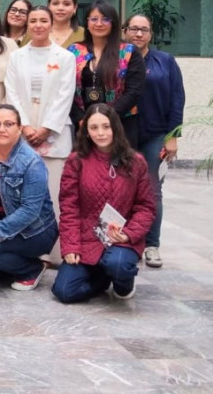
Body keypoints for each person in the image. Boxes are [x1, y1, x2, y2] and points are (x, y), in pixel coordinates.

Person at [52, 104, 156, 303]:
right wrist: (71, 246)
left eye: (106, 127)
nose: (100, 133)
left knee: (118, 264)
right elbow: (69, 208)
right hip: (86, 239)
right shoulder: (76, 161)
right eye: (94, 128)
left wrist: (129, 233)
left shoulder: (136, 162)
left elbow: (146, 207)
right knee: (64, 291)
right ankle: (102, 278)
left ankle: (123, 285)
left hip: (120, 239)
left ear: (115, 127)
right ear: (87, 132)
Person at [0, 105, 59, 290]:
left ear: (19, 128)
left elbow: (30, 211)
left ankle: (33, 268)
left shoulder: (32, 162)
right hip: (0, 227)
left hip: (34, 231)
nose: (2, 129)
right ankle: (12, 261)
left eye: (8, 124)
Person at [4, 6, 77, 221]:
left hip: (54, 129)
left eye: (43, 21)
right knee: (22, 193)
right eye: (33, 20)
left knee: (52, 192)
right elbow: (12, 92)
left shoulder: (65, 57)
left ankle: (52, 253)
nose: (38, 25)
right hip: (23, 128)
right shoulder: (16, 56)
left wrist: (46, 129)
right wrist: (24, 126)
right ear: (27, 24)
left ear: (51, 23)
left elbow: (65, 94)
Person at [124, 14, 185, 269]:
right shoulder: (119, 60)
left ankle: (151, 244)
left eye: (144, 30)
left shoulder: (165, 61)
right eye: (134, 29)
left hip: (155, 134)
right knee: (120, 188)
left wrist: (172, 137)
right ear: (125, 31)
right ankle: (125, 240)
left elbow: (177, 99)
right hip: (124, 134)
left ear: (151, 34)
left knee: (152, 190)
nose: (138, 34)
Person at [68, 0, 146, 150]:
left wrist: (106, 118)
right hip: (83, 124)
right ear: (87, 22)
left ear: (114, 23)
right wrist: (81, 119)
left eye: (105, 19)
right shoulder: (74, 51)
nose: (99, 23)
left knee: (121, 169)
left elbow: (134, 91)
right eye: (94, 19)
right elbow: (64, 90)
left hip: (122, 122)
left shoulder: (129, 51)